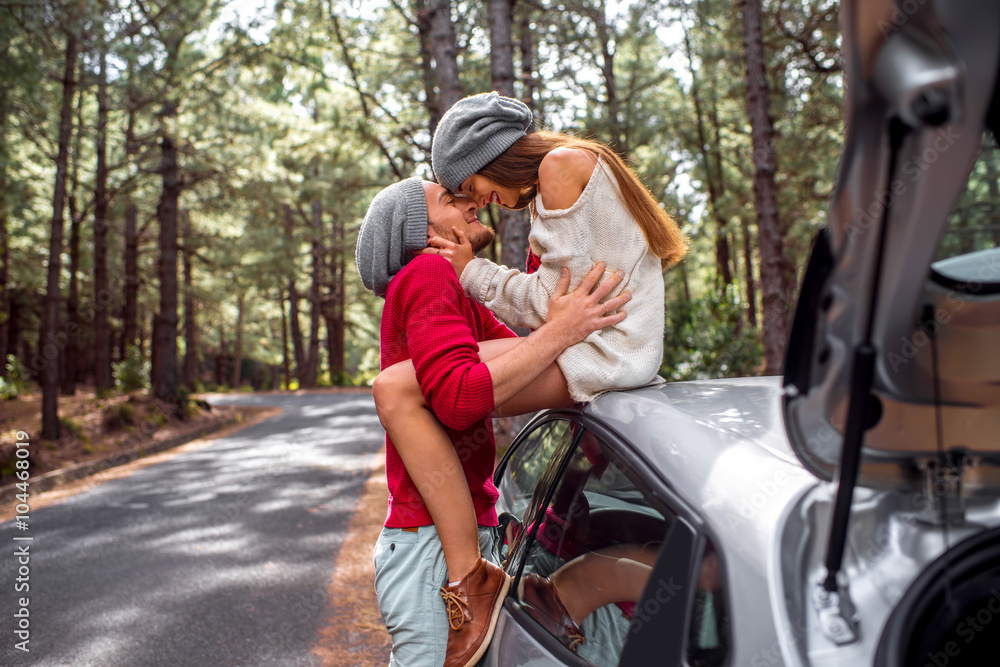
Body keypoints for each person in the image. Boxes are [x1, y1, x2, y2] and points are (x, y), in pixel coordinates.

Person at [373, 92, 689, 664]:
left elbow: (552, 306)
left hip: (602, 352)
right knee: (408, 383)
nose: (480, 203)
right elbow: (547, 314)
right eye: (461, 198)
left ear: (488, 156)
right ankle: (475, 574)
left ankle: (470, 576)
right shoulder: (562, 174)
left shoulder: (559, 167)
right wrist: (488, 285)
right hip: (598, 348)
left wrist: (472, 272)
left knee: (399, 388)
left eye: (471, 186)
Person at [356, 176, 630, 667]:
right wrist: (564, 331)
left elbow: (520, 368)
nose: (467, 203)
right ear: (422, 235)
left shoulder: (453, 288)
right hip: (429, 545)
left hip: (445, 539)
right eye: (448, 199)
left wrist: (545, 273)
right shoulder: (426, 273)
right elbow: (463, 397)